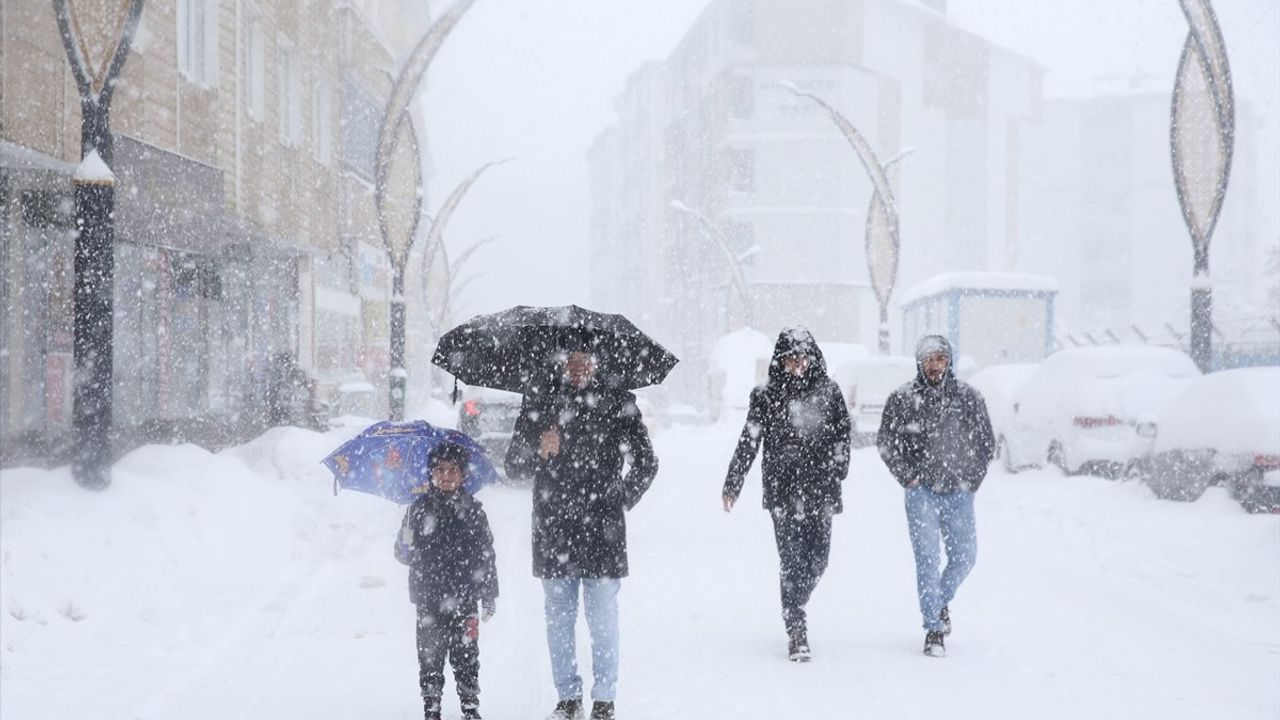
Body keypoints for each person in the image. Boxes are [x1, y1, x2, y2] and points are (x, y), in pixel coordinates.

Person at [505, 345, 659, 720]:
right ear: (560, 362)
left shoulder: (618, 401)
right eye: (571, 359)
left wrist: (620, 497)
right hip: (553, 525)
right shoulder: (539, 400)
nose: (577, 366)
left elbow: (646, 461)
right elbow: (512, 466)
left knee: (602, 616)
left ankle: (604, 700)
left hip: (602, 528)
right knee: (559, 617)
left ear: (598, 361)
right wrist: (538, 449)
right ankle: (568, 699)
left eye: (585, 358)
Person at [721, 326, 851, 662]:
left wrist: (839, 466)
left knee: (818, 561)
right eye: (791, 358)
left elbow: (842, 434)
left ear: (812, 358)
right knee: (792, 561)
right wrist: (733, 482)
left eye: (802, 358)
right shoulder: (765, 394)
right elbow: (749, 440)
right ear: (780, 360)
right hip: (782, 490)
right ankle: (796, 628)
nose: (797, 364)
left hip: (821, 489)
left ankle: (794, 601)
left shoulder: (829, 391)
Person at [876, 335, 994, 658]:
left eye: (941, 358)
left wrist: (972, 480)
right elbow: (885, 442)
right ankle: (933, 629)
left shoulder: (969, 398)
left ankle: (939, 601)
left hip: (959, 491)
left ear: (949, 360)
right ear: (919, 362)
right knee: (927, 560)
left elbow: (986, 443)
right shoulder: (902, 399)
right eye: (929, 359)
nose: (935, 365)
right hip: (921, 493)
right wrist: (908, 477)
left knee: (965, 557)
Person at [395, 442, 499, 720]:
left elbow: (486, 554)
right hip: (428, 597)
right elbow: (403, 555)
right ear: (431, 474)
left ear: (463, 475)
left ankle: (470, 707)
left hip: (465, 597)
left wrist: (489, 593)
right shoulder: (417, 510)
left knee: (467, 655)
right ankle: (432, 707)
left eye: (453, 470)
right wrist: (405, 540)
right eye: (440, 470)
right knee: (430, 655)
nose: (446, 476)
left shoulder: (473, 510)